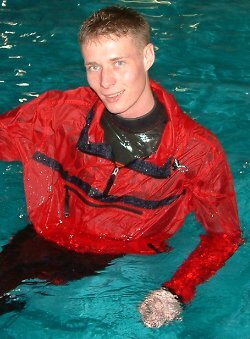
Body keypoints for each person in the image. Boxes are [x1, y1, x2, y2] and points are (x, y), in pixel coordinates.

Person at [0, 6, 243, 328]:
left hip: (125, 265)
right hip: (43, 239)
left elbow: (224, 236)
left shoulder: (197, 152)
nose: (106, 82)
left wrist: (177, 291)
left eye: (119, 63)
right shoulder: (60, 114)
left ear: (147, 56)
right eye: (94, 66)